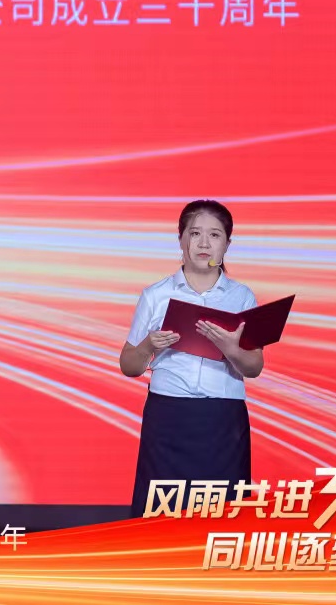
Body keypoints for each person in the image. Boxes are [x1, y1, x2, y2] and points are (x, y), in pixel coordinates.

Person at [119, 199, 263, 517]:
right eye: (195, 233)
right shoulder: (156, 295)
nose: (204, 243)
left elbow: (254, 367)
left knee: (222, 514)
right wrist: (148, 345)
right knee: (161, 515)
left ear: (227, 243)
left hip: (222, 420)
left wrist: (230, 349)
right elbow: (128, 365)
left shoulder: (241, 296)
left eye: (215, 235)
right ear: (181, 239)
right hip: (168, 417)